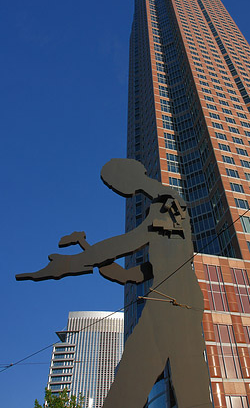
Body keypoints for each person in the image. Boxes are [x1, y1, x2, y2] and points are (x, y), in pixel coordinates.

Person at [16, 159, 212, 408]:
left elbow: (129, 241)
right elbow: (125, 276)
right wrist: (85, 248)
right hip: (164, 303)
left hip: (176, 303)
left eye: (114, 180)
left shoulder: (167, 200)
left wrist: (73, 262)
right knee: (136, 385)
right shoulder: (163, 252)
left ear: (131, 174)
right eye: (110, 184)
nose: (114, 187)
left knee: (182, 386)